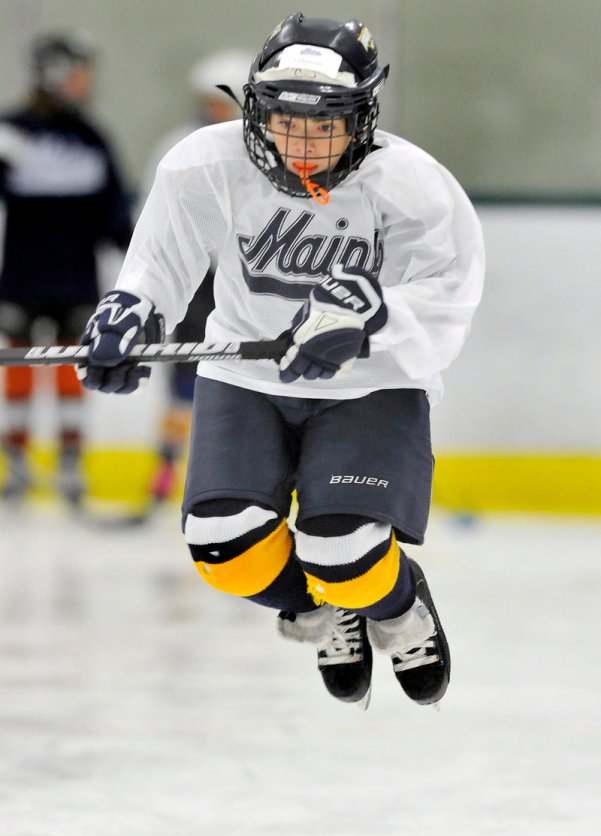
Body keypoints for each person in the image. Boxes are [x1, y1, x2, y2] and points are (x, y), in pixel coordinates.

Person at [80, 13, 485, 708]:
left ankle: (394, 606)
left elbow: (448, 294)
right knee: (222, 547)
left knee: (344, 548)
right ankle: (324, 610)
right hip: (245, 375)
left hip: (369, 383)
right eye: (283, 121)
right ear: (253, 109)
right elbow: (160, 263)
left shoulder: (411, 183)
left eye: (324, 124)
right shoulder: (203, 164)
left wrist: (368, 321)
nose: (301, 144)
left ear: (361, 117)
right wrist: (131, 313)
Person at [0, 32, 132, 504]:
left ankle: (71, 464)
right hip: (19, 277)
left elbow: (115, 215)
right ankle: (15, 462)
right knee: (16, 367)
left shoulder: (91, 137)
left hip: (75, 280)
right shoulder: (9, 131)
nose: (85, 83)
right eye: (77, 73)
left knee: (69, 372)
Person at [139, 50, 252, 505]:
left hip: (246, 280)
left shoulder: (263, 148)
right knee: (185, 379)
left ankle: (253, 470)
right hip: (196, 282)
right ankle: (167, 467)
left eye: (224, 100)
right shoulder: (180, 146)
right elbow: (154, 218)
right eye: (209, 99)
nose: (214, 109)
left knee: (252, 376)